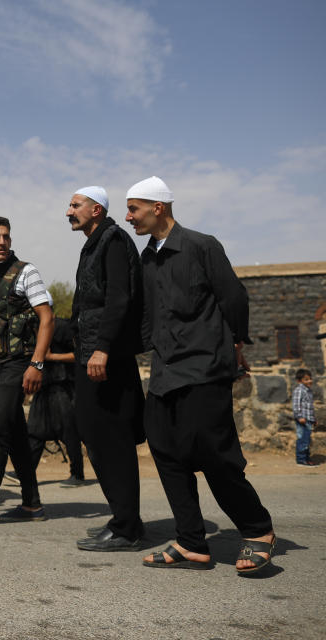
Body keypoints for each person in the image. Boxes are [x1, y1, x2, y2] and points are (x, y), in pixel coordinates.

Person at [125, 176, 276, 573]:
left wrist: (237, 347)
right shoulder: (148, 257)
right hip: (166, 370)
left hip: (205, 365)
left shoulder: (201, 245)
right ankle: (192, 542)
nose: (129, 217)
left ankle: (258, 529)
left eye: (134, 209)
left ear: (158, 208)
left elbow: (234, 298)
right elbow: (147, 314)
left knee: (215, 453)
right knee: (164, 448)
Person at [66, 186, 146, 552]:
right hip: (90, 355)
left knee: (111, 439)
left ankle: (127, 527)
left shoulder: (113, 239)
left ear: (96, 209)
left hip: (104, 358)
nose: (69, 211)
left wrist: (102, 349)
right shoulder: (95, 242)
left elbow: (118, 298)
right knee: (94, 434)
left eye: (75, 205)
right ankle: (124, 519)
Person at [0, 217, 54, 527]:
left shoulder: (26, 272)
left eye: (6, 236)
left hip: (19, 363)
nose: (2, 242)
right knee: (15, 432)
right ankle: (32, 504)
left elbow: (47, 319)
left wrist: (37, 363)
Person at [25, 317, 85, 486]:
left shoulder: (62, 327)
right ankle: (26, 472)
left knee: (68, 431)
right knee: (35, 430)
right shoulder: (30, 327)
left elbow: (79, 354)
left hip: (63, 386)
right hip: (43, 387)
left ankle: (77, 473)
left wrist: (52, 357)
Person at [292, 368, 319, 466]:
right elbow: (296, 405)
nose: (309, 381)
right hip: (302, 420)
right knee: (302, 439)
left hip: (308, 419)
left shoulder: (308, 391)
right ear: (299, 381)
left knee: (307, 440)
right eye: (306, 379)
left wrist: (313, 419)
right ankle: (301, 460)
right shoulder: (299, 390)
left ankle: (307, 458)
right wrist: (299, 417)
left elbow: (309, 407)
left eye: (310, 379)